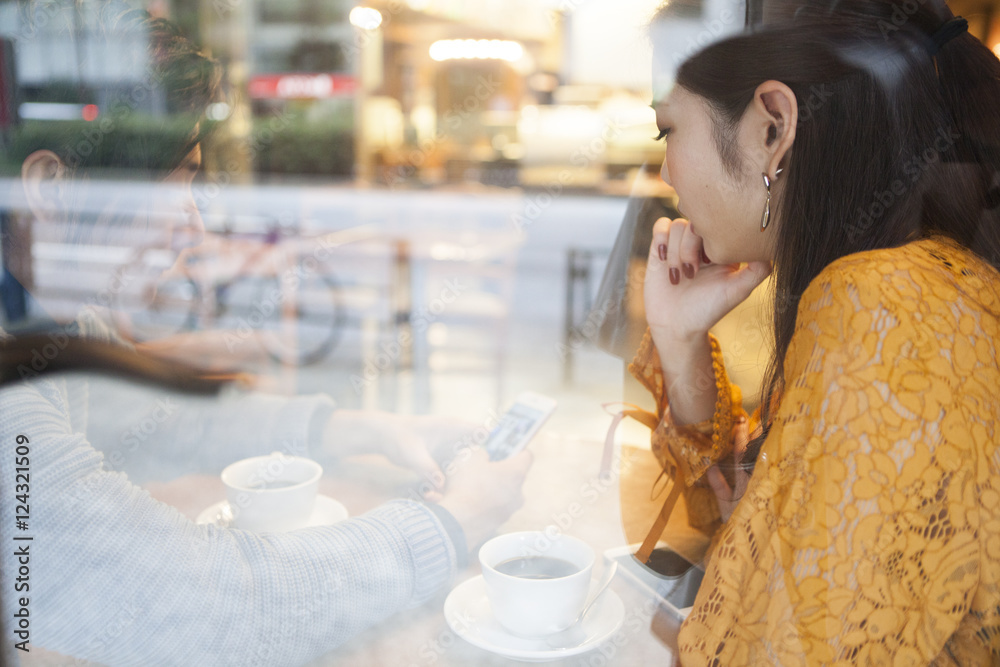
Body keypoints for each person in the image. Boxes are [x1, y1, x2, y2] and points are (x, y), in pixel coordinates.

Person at [0, 8, 530, 665]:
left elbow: (153, 422)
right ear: (50, 186)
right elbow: (206, 604)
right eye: (181, 180)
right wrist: (452, 524)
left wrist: (357, 429)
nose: (192, 229)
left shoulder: (48, 314)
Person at [630, 0, 1000, 663]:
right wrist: (678, 340)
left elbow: (778, 644)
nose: (664, 174)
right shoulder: (906, 275)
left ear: (773, 127)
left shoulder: (880, 306)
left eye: (667, 133)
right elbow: (765, 559)